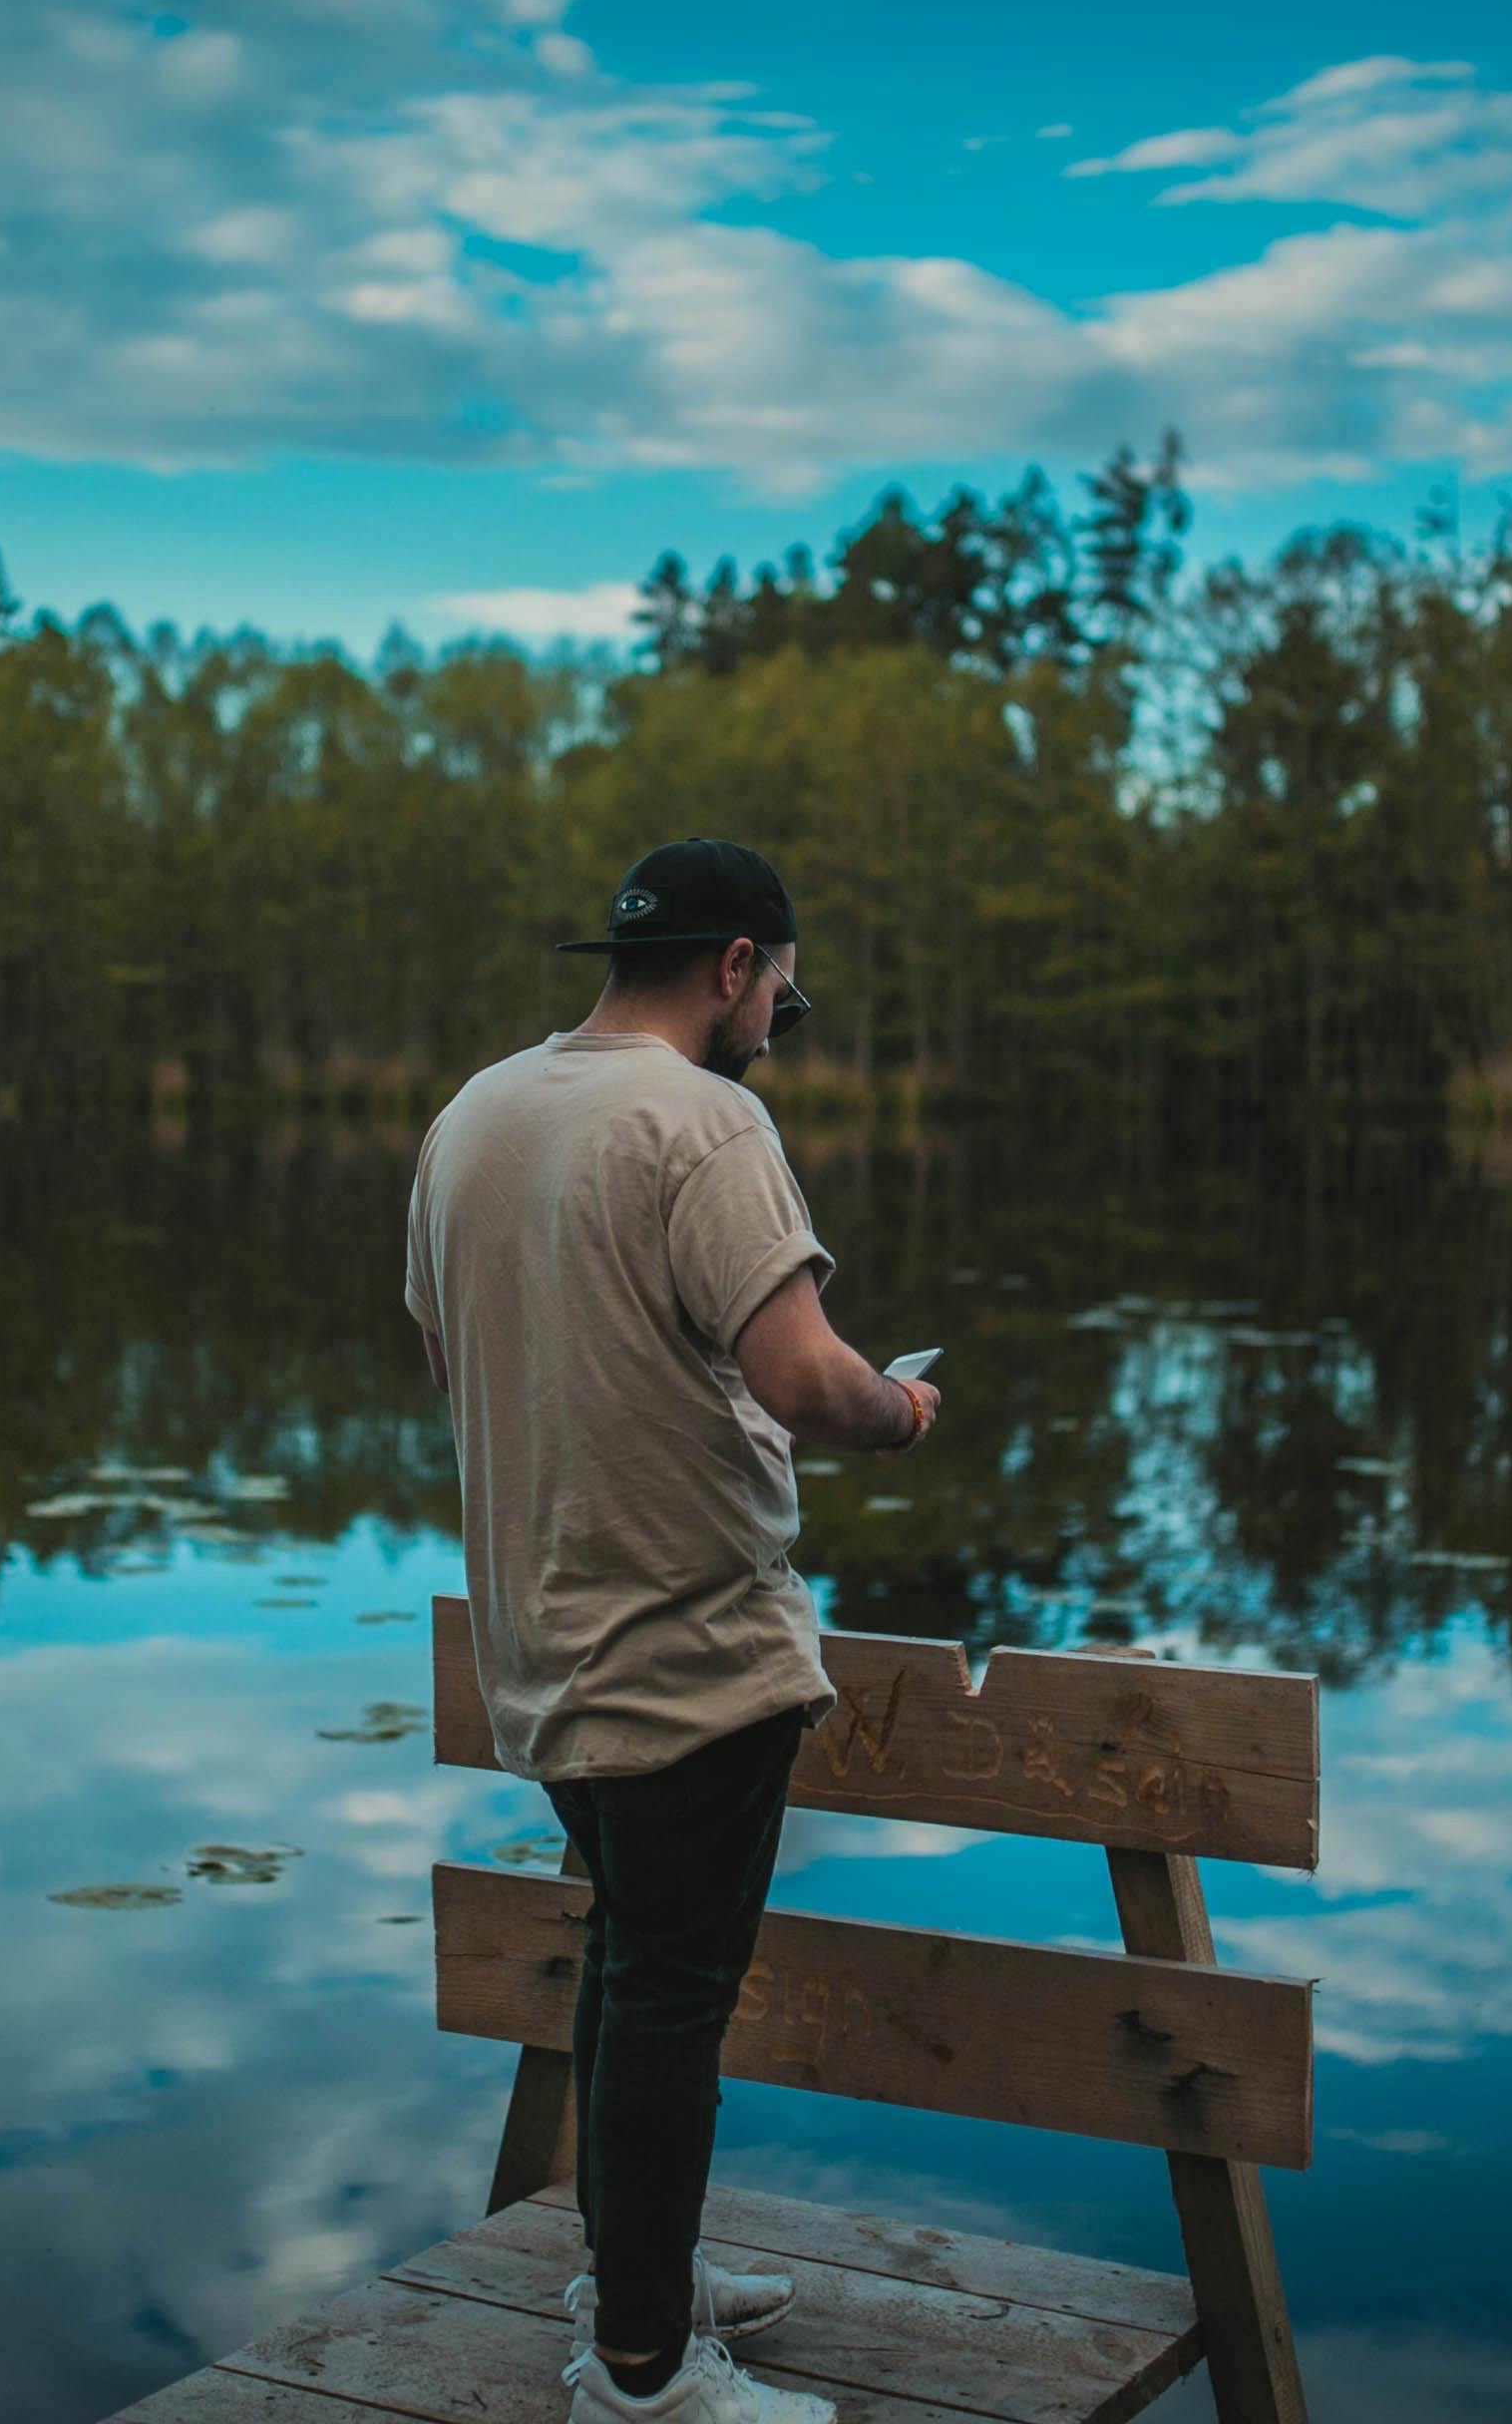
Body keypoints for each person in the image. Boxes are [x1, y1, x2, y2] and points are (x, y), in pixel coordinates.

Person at [402, 839, 942, 2424]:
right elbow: (801, 1377)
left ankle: (641, 2270)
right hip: (687, 1647)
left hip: (539, 1643)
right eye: (783, 984)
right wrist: (900, 1413)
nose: (780, 1014)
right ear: (734, 965)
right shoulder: (705, 1120)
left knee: (632, 1961)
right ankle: (643, 2376)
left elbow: (455, 1357)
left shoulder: (473, 1115)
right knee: (668, 1994)